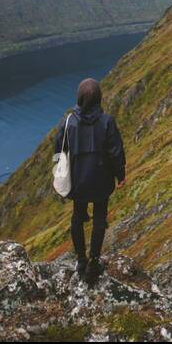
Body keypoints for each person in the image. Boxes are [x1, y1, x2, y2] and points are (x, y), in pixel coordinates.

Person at [53, 77, 125, 282]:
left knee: (77, 216)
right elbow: (116, 152)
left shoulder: (69, 122)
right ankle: (94, 261)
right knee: (100, 218)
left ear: (79, 96)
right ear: (99, 97)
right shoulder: (107, 121)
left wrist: (58, 170)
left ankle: (81, 260)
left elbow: (59, 150)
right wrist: (120, 175)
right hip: (101, 179)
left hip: (78, 180)